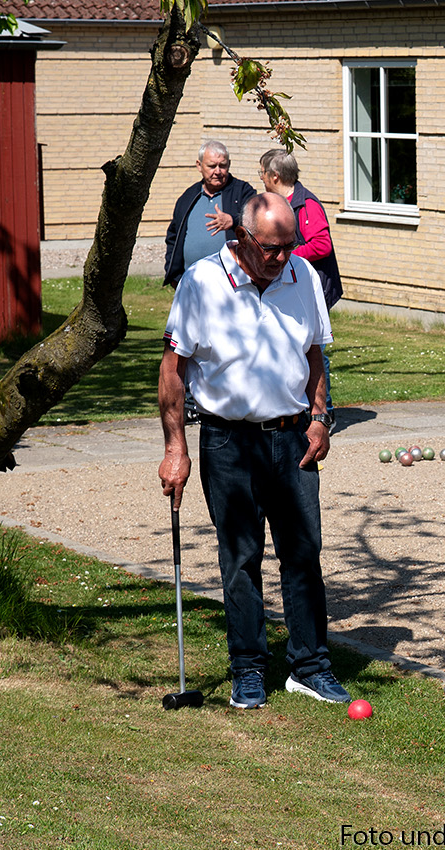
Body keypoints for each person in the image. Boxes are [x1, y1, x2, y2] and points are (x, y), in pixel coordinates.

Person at [157, 193, 348, 710]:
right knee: (241, 556)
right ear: (241, 238)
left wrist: (319, 418)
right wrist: (175, 447)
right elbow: (172, 371)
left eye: (289, 246)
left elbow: (314, 355)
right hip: (227, 440)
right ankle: (248, 668)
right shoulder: (201, 283)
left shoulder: (303, 276)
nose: (282, 257)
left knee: (303, 554)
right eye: (271, 248)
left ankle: (310, 666)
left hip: (292, 440)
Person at [260, 149, 344, 417]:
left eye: (261, 172)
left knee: (314, 348)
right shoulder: (280, 203)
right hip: (290, 286)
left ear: (274, 176)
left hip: (311, 288)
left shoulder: (306, 204)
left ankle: (324, 412)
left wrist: (286, 254)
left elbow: (322, 245)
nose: (260, 178)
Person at [164, 140, 257, 288]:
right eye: (212, 166)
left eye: (223, 165)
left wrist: (234, 220)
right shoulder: (188, 196)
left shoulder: (243, 191)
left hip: (232, 284)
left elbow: (258, 222)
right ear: (199, 165)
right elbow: (173, 237)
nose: (218, 171)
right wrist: (175, 276)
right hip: (192, 283)